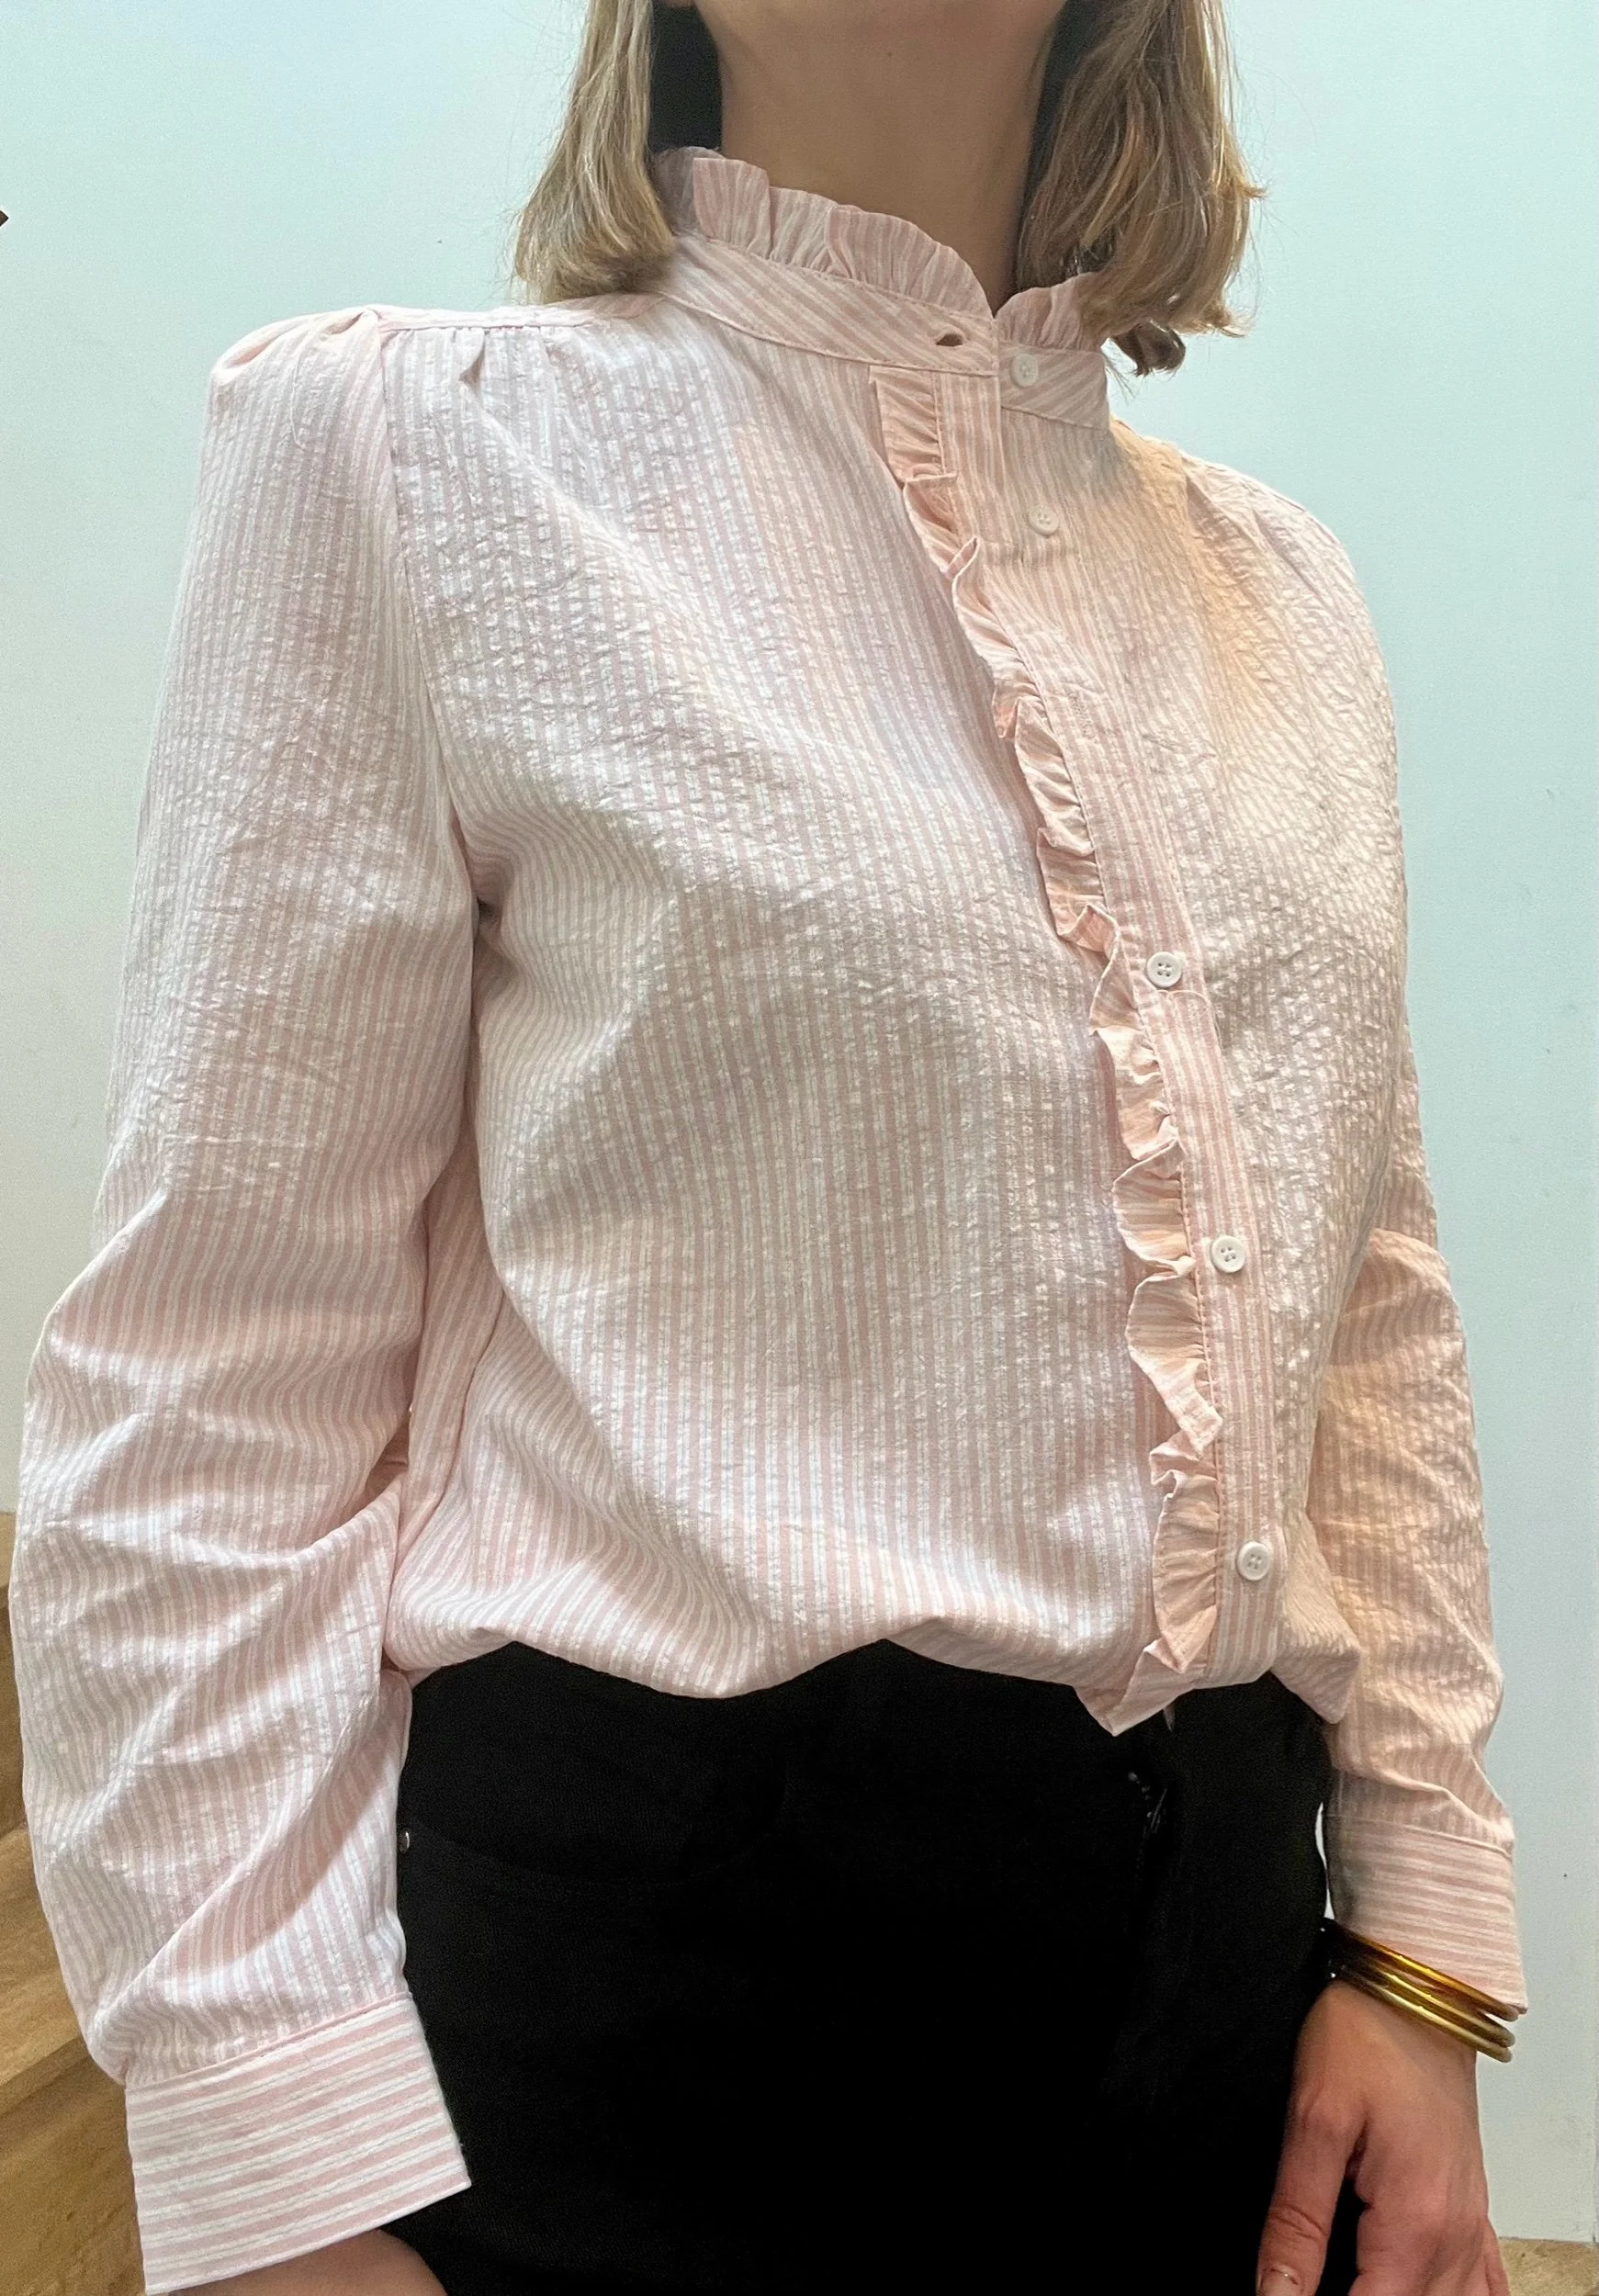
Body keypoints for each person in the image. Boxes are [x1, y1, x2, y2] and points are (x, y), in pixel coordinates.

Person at [7, 3, 1529, 2292]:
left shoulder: (1282, 597)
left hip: (1223, 1983)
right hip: (651, 2017)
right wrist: (269, 2159)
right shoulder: (416, 459)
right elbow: (208, 1387)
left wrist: (1420, 1943)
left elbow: (1369, 1310)